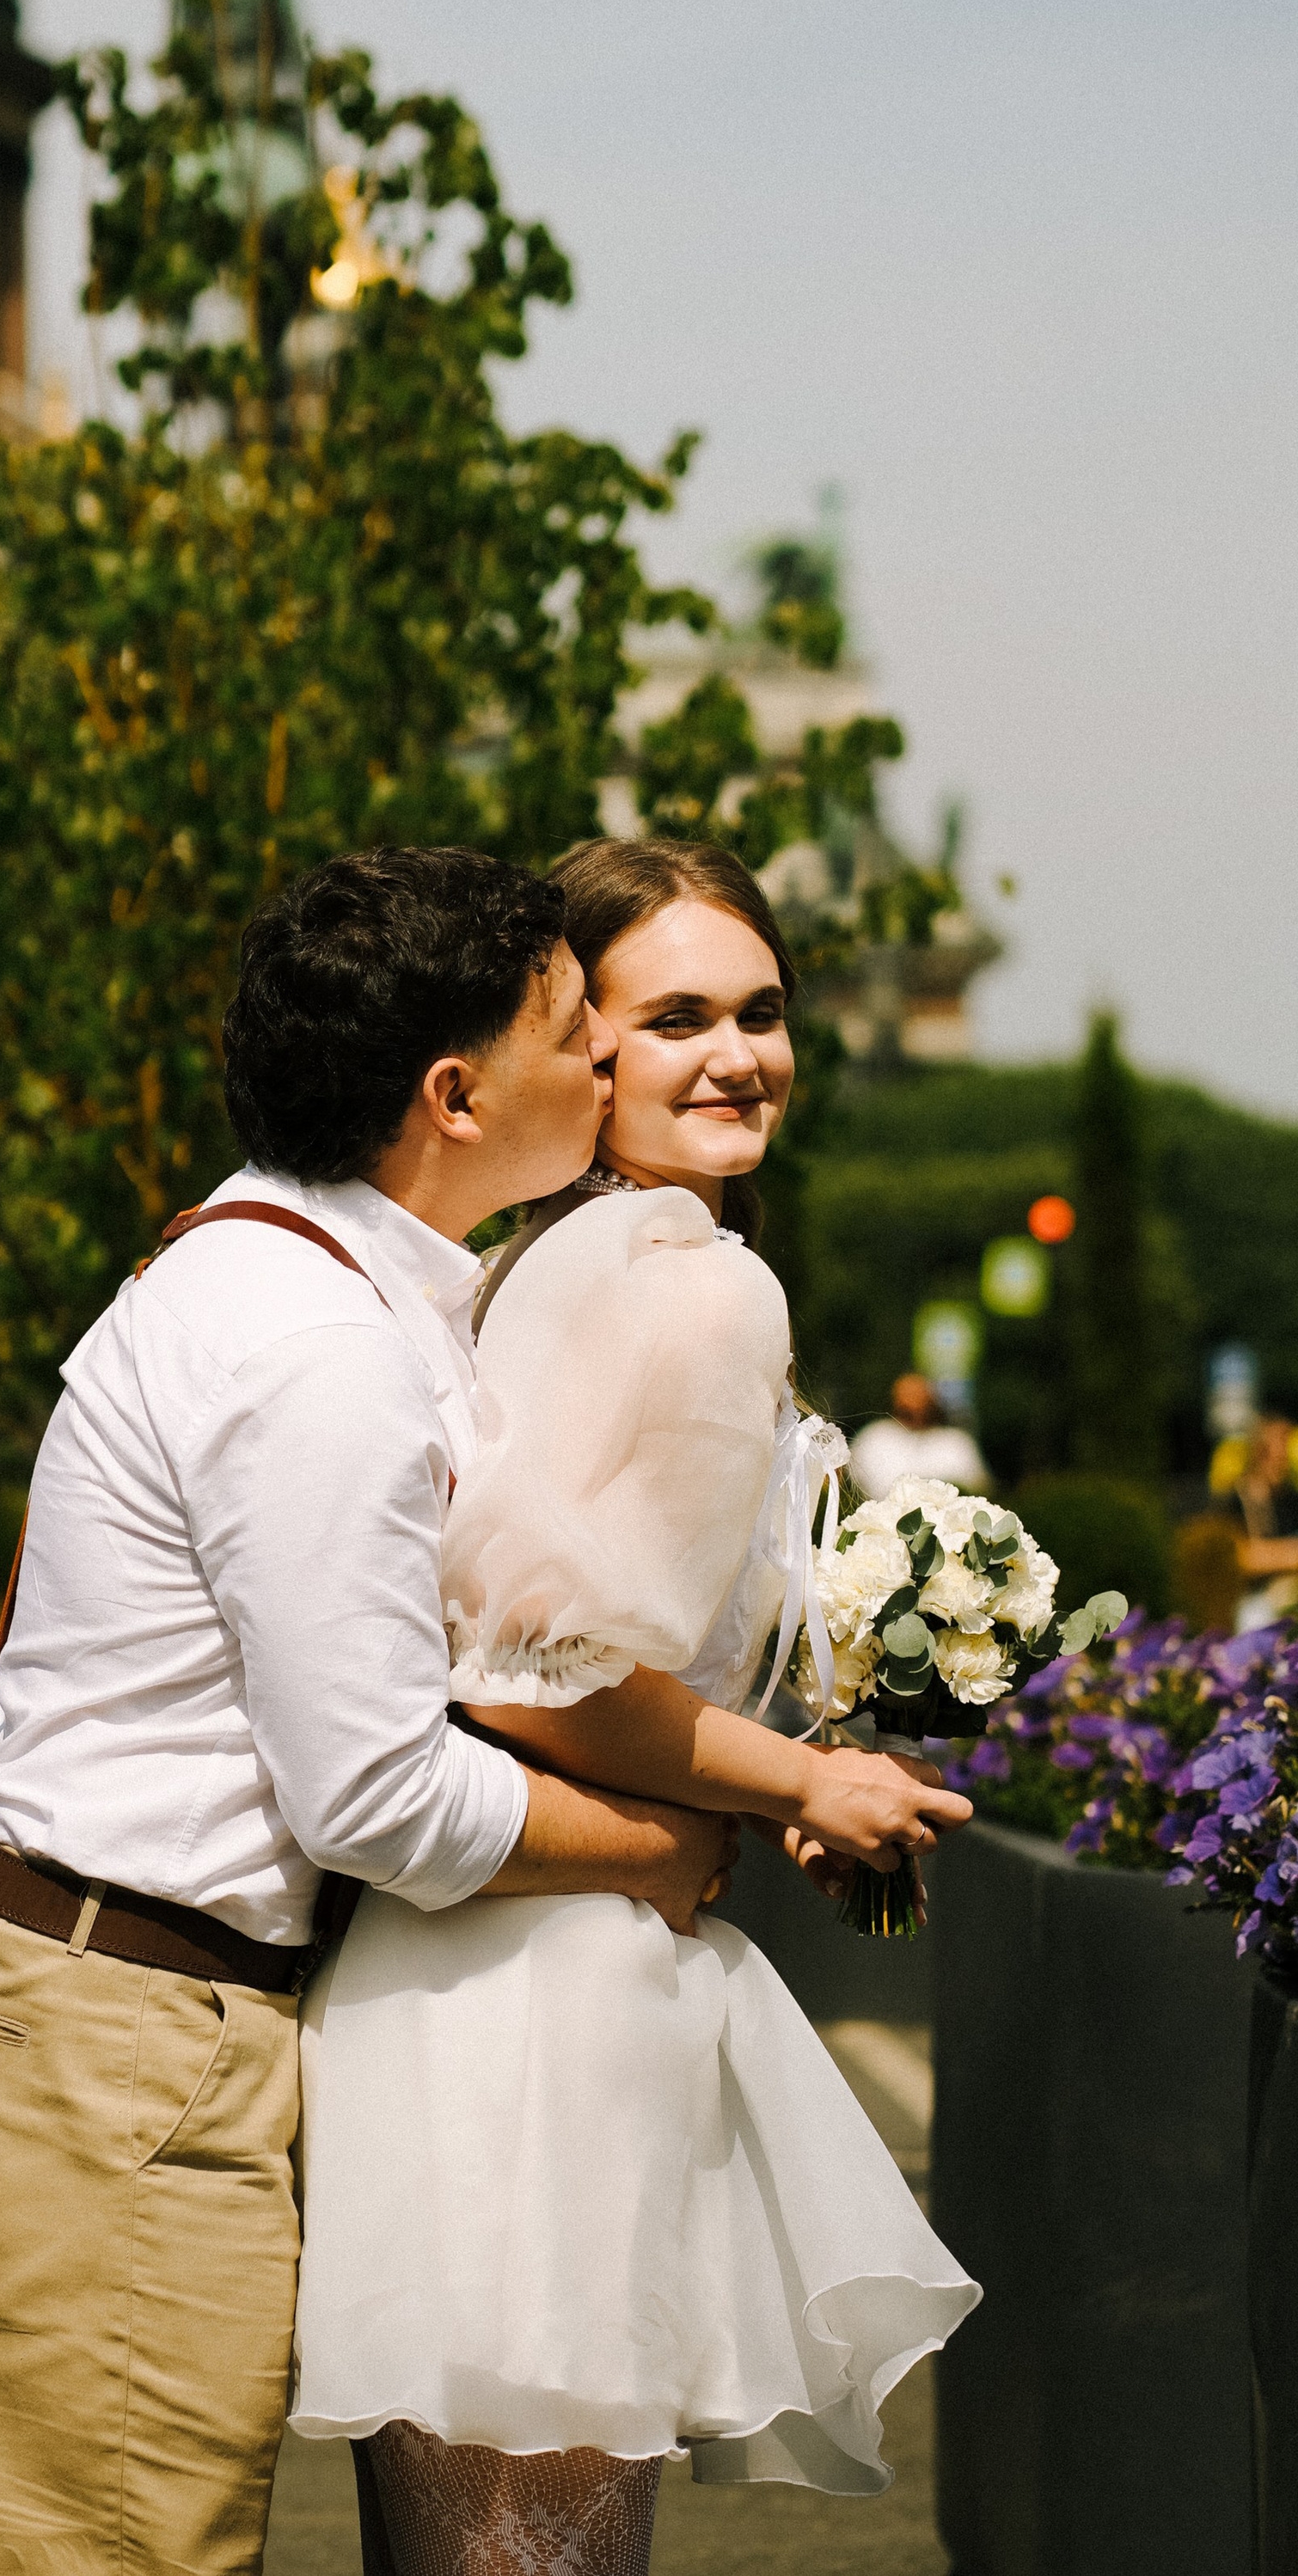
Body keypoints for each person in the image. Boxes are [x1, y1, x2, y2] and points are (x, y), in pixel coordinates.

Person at [0, 847, 748, 2576]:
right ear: (454, 1094)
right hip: (108, 2039)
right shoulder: (315, 1346)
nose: (606, 1057)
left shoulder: (320, 1277)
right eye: (573, 1025)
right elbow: (375, 1794)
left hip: (120, 2014)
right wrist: (655, 1845)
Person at [292, 837, 979, 2576]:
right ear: (583, 1045)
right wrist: (801, 1789)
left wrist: (760, 1766)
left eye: (760, 1011)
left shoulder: (546, 1255)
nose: (736, 1055)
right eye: (675, 1018)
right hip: (548, 2002)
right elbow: (532, 1677)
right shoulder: (692, 1278)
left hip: (457, 1977)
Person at [852, 1369, 989, 1496]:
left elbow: (979, 1488)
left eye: (918, 1396)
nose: (913, 1404)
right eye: (907, 1397)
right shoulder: (872, 1438)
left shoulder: (955, 1442)